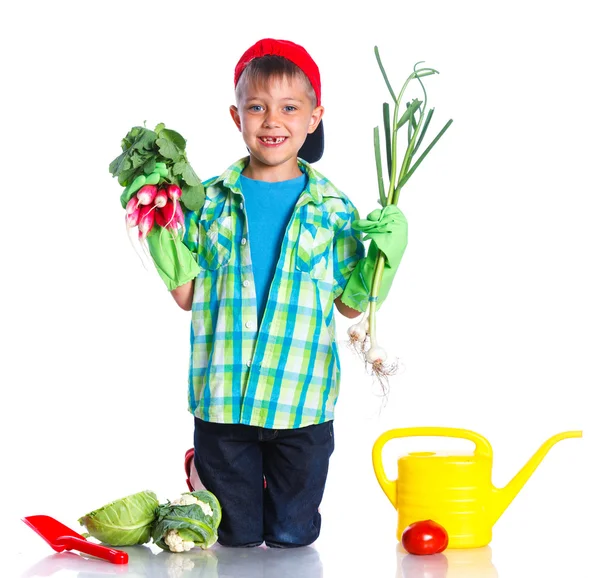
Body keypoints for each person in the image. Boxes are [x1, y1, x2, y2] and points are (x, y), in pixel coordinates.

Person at [145, 38, 408, 548]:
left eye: (290, 108)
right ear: (235, 115)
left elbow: (349, 304)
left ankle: (269, 499)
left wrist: (386, 259)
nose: (272, 121)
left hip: (300, 399)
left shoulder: (333, 208)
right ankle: (204, 470)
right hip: (224, 398)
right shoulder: (209, 201)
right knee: (236, 538)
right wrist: (158, 229)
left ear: (314, 117)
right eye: (257, 107)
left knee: (293, 536)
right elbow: (187, 297)